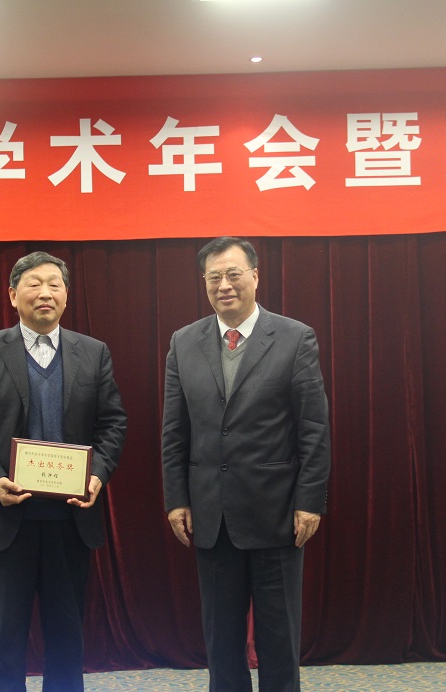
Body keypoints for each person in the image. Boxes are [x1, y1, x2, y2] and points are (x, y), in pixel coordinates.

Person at [0, 251, 127, 692]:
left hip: (70, 519)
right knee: (3, 639)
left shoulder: (94, 353)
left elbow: (113, 423)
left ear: (66, 295)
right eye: (33, 284)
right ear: (13, 295)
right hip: (5, 517)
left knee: (66, 637)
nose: (45, 292)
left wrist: (97, 475)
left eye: (54, 284)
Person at [161, 236, 331, 691]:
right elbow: (174, 430)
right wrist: (176, 499)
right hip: (211, 514)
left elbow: (313, 428)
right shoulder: (184, 342)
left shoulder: (295, 337)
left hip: (277, 513)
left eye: (233, 274)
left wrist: (309, 501)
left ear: (255, 276)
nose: (224, 285)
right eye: (214, 277)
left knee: (279, 636)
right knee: (221, 639)